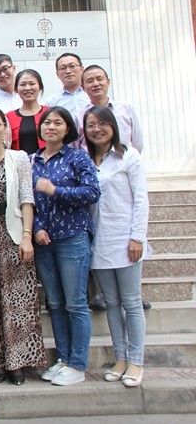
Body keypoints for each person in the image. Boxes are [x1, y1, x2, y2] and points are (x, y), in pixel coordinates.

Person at [0, 107, 45, 386]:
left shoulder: (19, 158)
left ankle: (17, 362)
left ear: (5, 128)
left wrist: (27, 235)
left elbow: (27, 197)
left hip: (11, 233)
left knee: (17, 300)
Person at [32, 106, 101, 386]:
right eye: (47, 122)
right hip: (44, 240)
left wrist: (56, 190)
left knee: (75, 303)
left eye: (58, 123)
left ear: (68, 129)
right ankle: (63, 359)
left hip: (72, 237)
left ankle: (77, 364)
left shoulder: (77, 157)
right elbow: (27, 200)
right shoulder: (32, 160)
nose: (51, 127)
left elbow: (92, 192)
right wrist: (36, 228)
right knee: (56, 303)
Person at [84, 105, 150, 388]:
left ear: (113, 125)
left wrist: (137, 237)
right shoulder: (86, 160)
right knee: (111, 303)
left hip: (125, 239)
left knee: (131, 302)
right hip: (99, 242)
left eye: (102, 124)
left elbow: (141, 199)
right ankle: (120, 358)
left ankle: (136, 361)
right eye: (90, 125)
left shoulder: (129, 156)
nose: (96, 129)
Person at [79, 65, 143, 152]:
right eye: (90, 81)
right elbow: (75, 148)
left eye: (99, 79)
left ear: (108, 82)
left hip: (124, 158)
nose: (96, 84)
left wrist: (131, 158)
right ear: (83, 87)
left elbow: (137, 142)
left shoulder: (125, 108)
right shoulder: (79, 116)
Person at [5, 69, 49, 155]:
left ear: (40, 87)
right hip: (18, 162)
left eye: (32, 84)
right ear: (16, 89)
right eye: (23, 84)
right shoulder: (8, 117)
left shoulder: (50, 113)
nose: (27, 88)